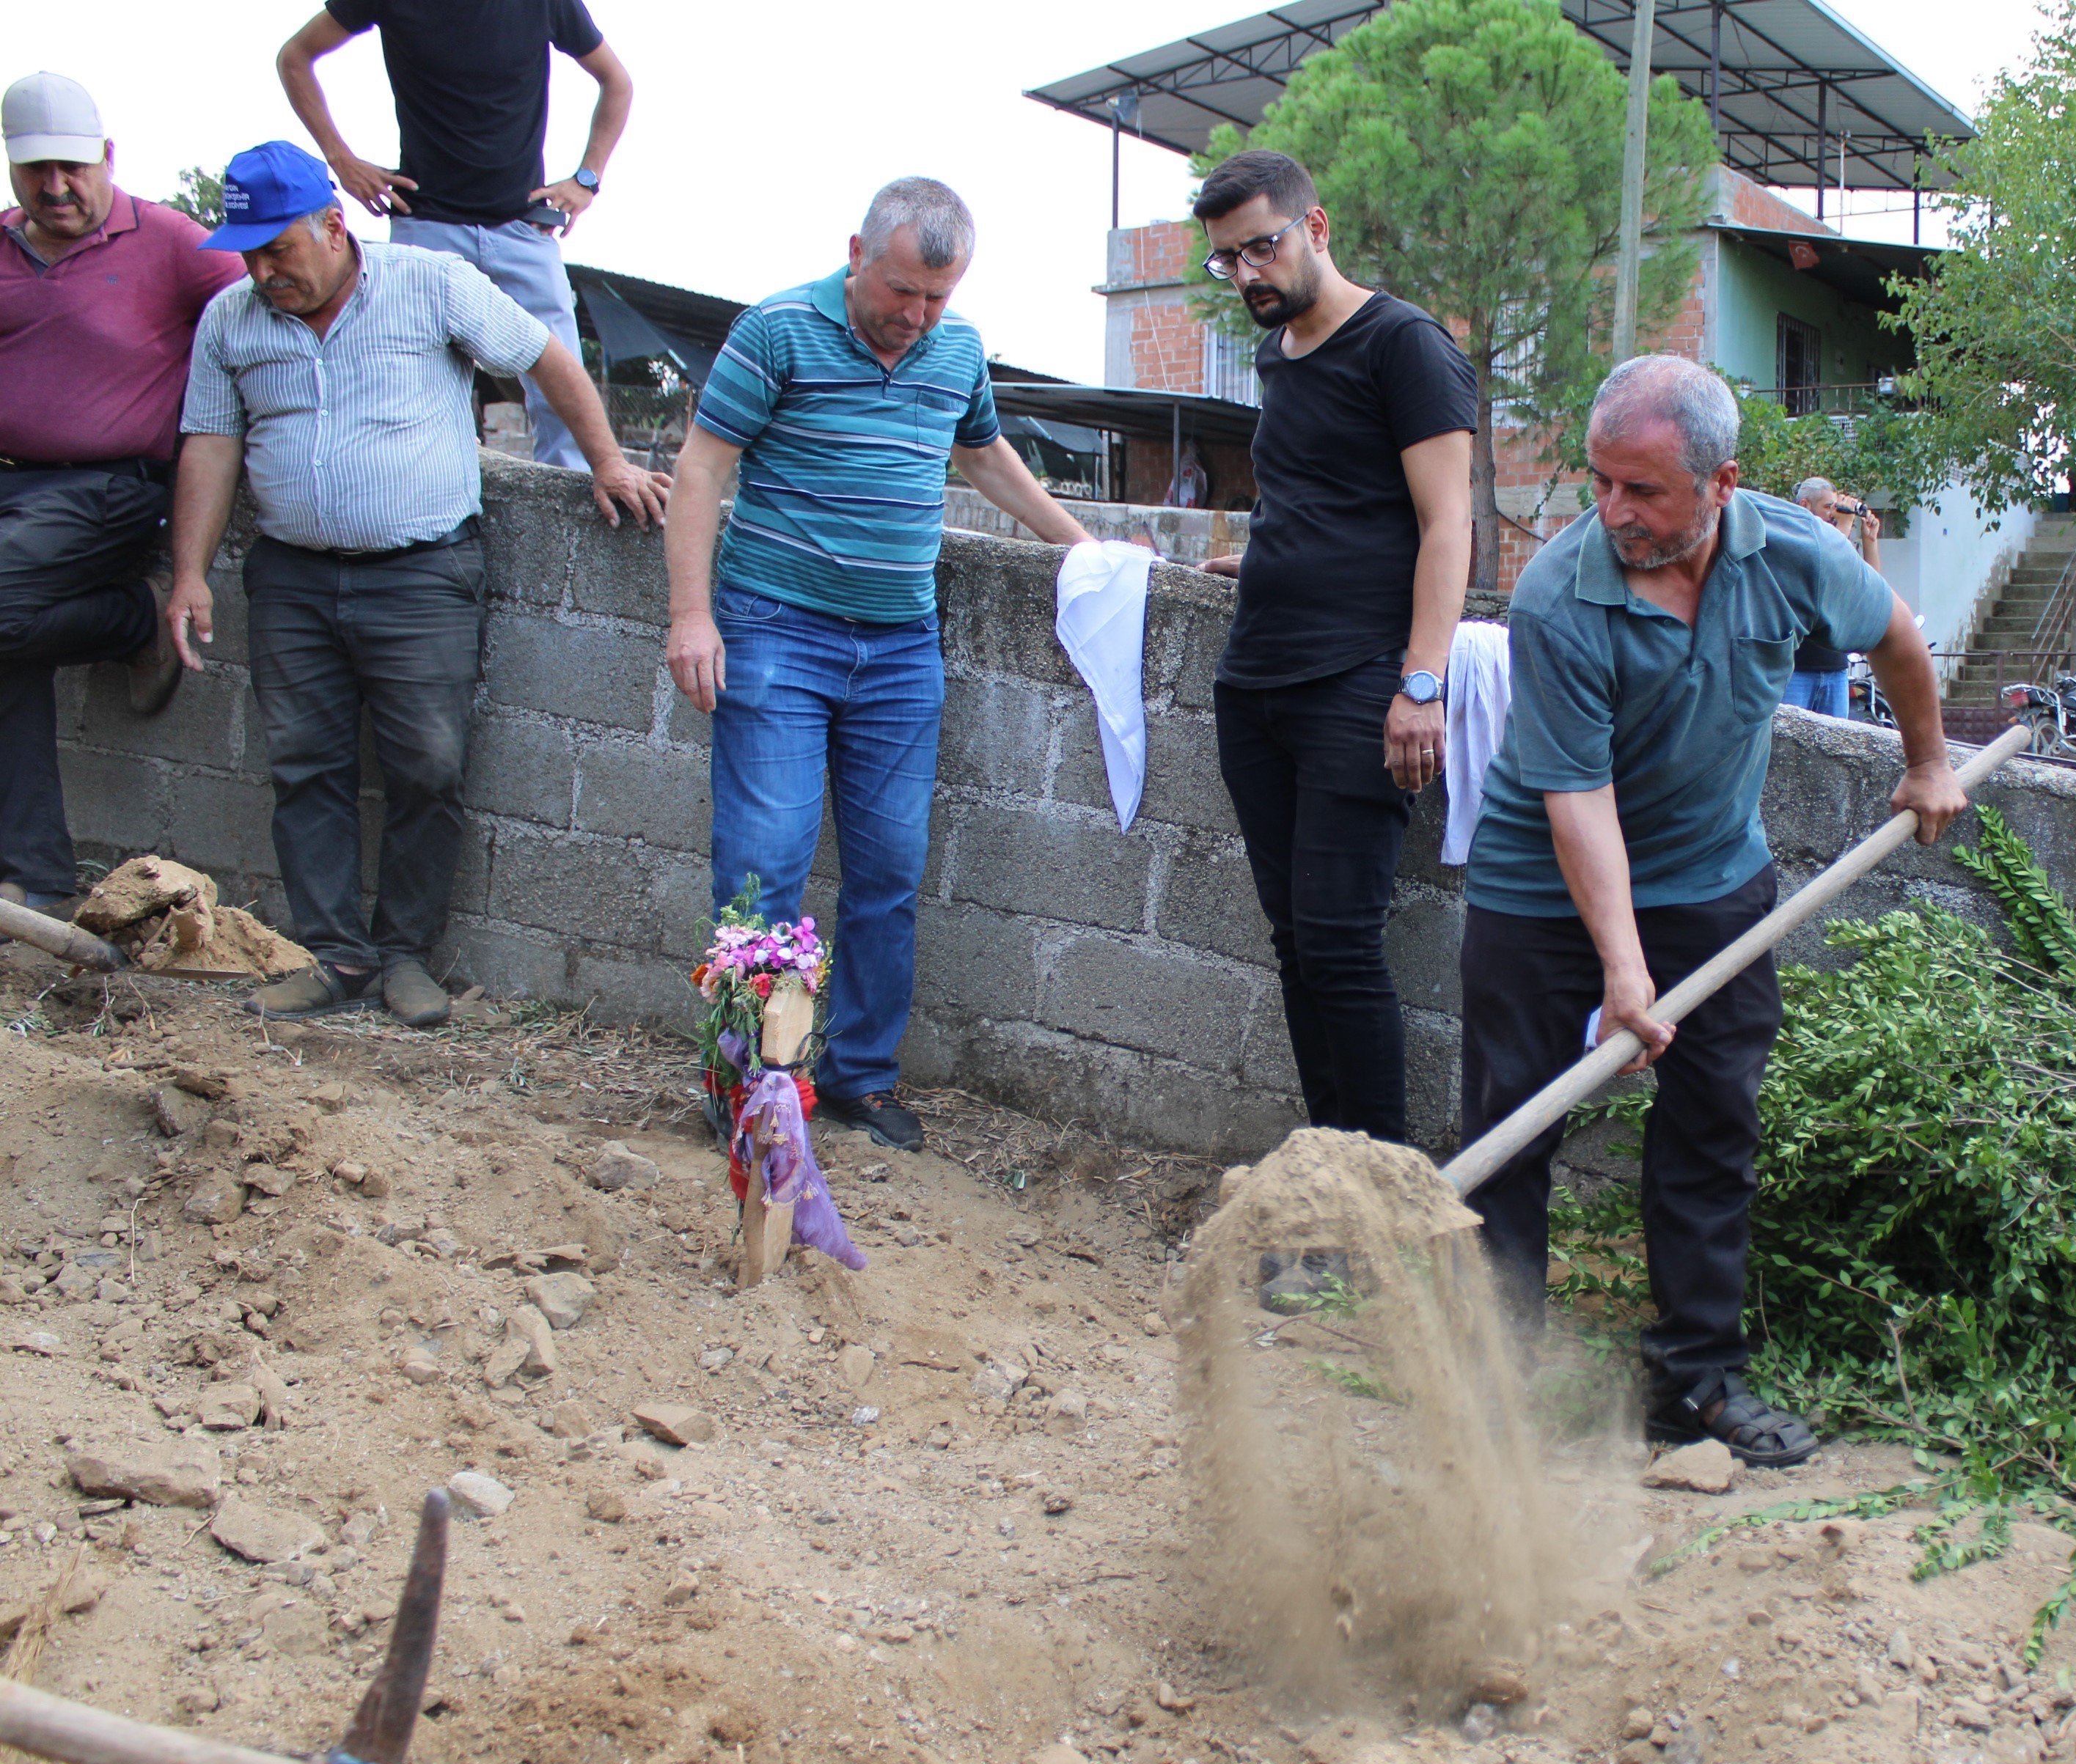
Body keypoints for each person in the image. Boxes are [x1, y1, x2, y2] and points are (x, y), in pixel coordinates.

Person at [1459, 356, 1967, 1467]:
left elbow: (1897, 636)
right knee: (1513, 1132)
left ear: (1722, 483)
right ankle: (1492, 1391)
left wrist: (1928, 763)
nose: (1613, 511)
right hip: (1542, 891)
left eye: (1642, 490)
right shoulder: (1560, 592)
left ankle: (1692, 1382)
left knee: (1712, 1130)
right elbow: (1575, 798)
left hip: (1713, 883)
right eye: (1599, 482)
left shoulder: (1796, 554)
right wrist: (1623, 974)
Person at [166, 141, 664, 1030]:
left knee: (427, 766)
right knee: (304, 765)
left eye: (278, 248)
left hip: (422, 572)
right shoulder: (231, 322)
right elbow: (210, 444)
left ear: (332, 225)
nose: (262, 269)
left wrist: (607, 461)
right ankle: (334, 954)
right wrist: (189, 574)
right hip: (292, 575)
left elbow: (544, 352)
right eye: (248, 252)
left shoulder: (429, 284)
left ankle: (403, 953)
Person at [661, 177, 1090, 1153]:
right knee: (763, 865)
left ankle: (859, 1076)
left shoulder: (958, 349)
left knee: (890, 872)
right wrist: (693, 615)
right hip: (774, 631)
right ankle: (743, 1086)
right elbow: (701, 468)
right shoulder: (775, 331)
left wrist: (1083, 545)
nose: (916, 316)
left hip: (902, 647)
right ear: (856, 253)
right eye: (901, 291)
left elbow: (984, 457)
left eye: (937, 298)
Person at [1189, 149, 1474, 1144]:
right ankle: (1328, 1182)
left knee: (1344, 947)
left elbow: (1448, 525)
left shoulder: (1405, 347)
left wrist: (1422, 683)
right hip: (1256, 682)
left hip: (1358, 685)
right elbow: (1318, 492)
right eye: (1228, 261)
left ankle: (1382, 1204)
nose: (1249, 275)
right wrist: (1265, 559)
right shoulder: (1279, 359)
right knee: (1297, 945)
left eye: (1262, 247)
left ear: (1316, 228)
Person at [0, 72, 240, 911]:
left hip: (109, 488)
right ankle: (31, 874)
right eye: (36, 172)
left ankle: (134, 618)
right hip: (12, 492)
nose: (56, 188)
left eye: (72, 168)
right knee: (7, 643)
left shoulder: (172, 242)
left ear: (106, 157)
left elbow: (263, 318)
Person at [278, 0, 632, 471]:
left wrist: (587, 179)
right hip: (426, 225)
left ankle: (578, 507)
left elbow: (617, 81)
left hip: (522, 226)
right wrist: (342, 161)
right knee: (411, 382)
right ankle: (425, 503)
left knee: (560, 384)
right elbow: (295, 57)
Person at [1783, 475, 1882, 719]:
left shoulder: (1839, 541)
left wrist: (1870, 541)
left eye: (1835, 508)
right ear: (1806, 505)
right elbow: (1824, 564)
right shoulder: (1792, 536)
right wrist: (1845, 526)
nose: (1833, 514)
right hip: (1797, 668)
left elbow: (1873, 588)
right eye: (1828, 507)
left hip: (1835, 668)